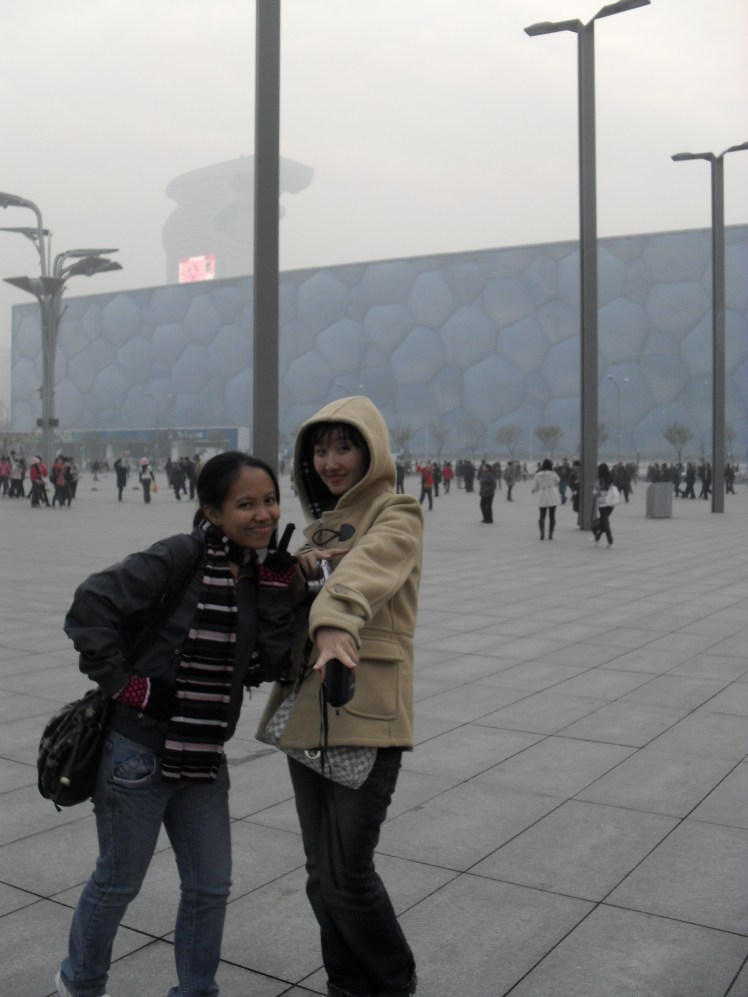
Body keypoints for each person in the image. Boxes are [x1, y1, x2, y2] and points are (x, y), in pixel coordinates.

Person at [54, 452, 296, 997]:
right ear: (211, 510)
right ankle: (80, 983)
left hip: (204, 756)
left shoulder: (260, 576)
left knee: (210, 886)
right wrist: (129, 685)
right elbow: (89, 605)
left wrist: (280, 594)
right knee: (118, 883)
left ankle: (196, 991)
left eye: (270, 501)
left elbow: (274, 664)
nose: (264, 515)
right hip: (137, 753)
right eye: (246, 504)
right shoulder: (179, 556)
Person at [257, 395, 422, 997]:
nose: (331, 461)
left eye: (343, 446)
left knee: (348, 874)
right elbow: (295, 581)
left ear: (371, 450)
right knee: (318, 876)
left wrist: (333, 619)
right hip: (308, 718)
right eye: (320, 449)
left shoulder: (397, 512)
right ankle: (347, 983)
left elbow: (363, 573)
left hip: (363, 710)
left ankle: (393, 982)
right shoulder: (318, 527)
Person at [591, 462, 619, 549]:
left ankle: (610, 542)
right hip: (611, 503)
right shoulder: (611, 477)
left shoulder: (599, 480)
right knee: (604, 522)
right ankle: (597, 539)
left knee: (605, 522)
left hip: (602, 503)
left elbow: (595, 492)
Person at [532, 458, 561, 540]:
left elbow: (535, 486)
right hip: (552, 494)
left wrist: (534, 490)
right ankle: (550, 535)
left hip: (542, 494)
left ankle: (542, 534)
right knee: (552, 516)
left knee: (542, 516)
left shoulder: (537, 474)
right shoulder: (553, 473)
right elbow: (558, 481)